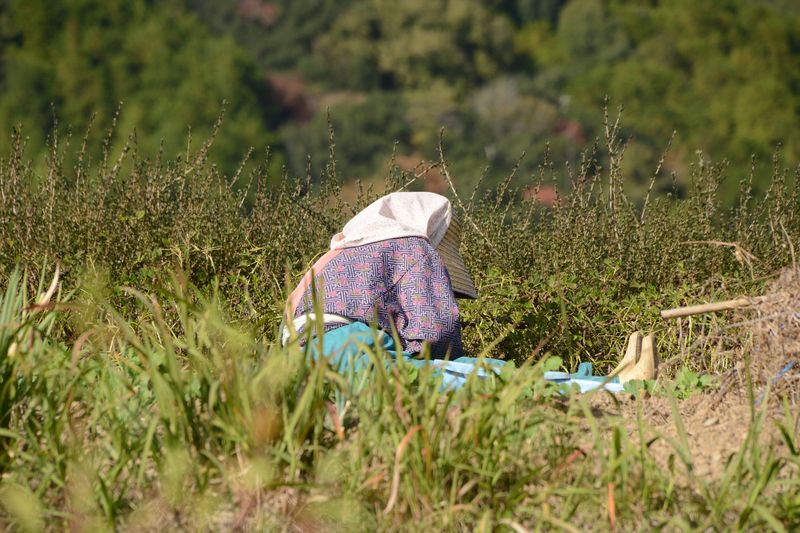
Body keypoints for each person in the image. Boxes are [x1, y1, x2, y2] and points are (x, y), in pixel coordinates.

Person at [282, 191, 504, 389]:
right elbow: (435, 333)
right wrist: (451, 359)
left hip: (299, 355)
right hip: (352, 343)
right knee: (459, 378)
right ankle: (531, 381)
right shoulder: (414, 246)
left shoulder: (337, 254)